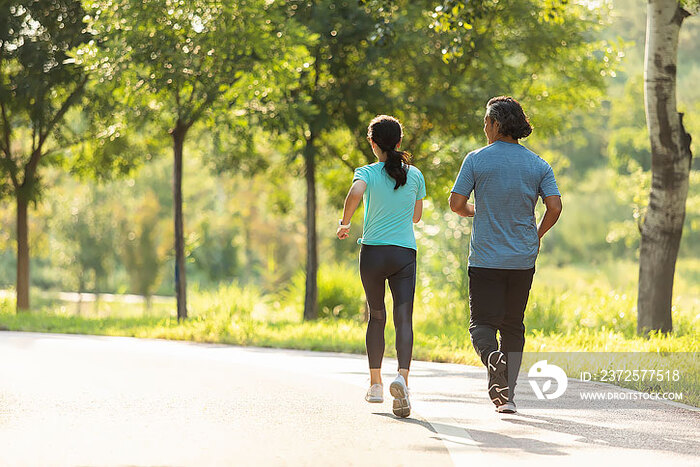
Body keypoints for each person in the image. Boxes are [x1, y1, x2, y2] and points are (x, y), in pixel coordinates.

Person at [448, 96, 562, 414]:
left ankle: (491, 357)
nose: (484, 128)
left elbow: (456, 204)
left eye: (486, 122)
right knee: (513, 325)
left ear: (496, 124)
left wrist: (476, 211)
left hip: (485, 258)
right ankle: (506, 396)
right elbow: (554, 207)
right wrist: (535, 235)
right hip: (522, 259)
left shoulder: (476, 160)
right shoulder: (539, 164)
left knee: (481, 324)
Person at [337, 115, 426, 418]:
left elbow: (355, 194)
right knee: (404, 318)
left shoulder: (366, 172)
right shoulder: (414, 175)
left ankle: (376, 385)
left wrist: (345, 223)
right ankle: (402, 378)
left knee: (376, 316)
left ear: (373, 144)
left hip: (373, 254)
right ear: (399, 142)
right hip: (403, 254)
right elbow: (416, 217)